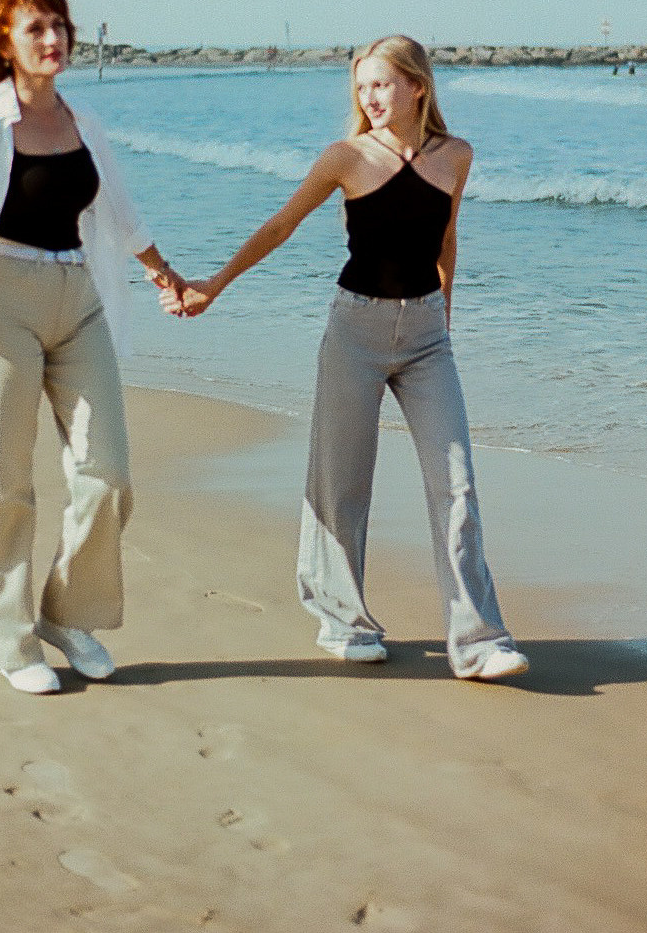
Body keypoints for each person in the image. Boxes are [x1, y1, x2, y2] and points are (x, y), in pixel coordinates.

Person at [160, 35, 528, 682]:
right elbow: (280, 225)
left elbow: (446, 235)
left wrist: (443, 313)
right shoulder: (347, 157)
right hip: (354, 330)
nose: (371, 98)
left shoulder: (455, 156)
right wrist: (213, 285)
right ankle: (344, 622)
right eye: (362, 88)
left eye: (382, 85)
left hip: (425, 339)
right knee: (342, 484)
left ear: (418, 85)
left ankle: (477, 641)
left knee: (457, 484)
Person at [0, 0, 185, 694]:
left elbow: (120, 214)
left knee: (107, 470)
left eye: (59, 24)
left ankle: (67, 613)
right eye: (36, 28)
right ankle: (9, 640)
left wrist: (166, 276)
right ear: (3, 41)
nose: (53, 38)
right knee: (6, 482)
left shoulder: (84, 119)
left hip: (79, 296)